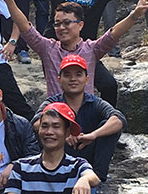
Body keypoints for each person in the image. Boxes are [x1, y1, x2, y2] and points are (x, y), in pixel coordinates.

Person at [0, 0, 143, 104]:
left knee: (109, 85)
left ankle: (102, 116)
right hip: (56, 50)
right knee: (61, 89)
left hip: (86, 50)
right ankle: (59, 115)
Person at [32, 55, 125, 183]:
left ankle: (97, 179)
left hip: (89, 155)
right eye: (67, 75)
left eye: (78, 74)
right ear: (59, 80)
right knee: (47, 126)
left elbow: (118, 119)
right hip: (61, 152)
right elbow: (36, 122)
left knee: (109, 126)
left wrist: (93, 135)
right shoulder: (53, 102)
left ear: (87, 79)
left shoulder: (95, 102)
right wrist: (64, 133)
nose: (73, 79)